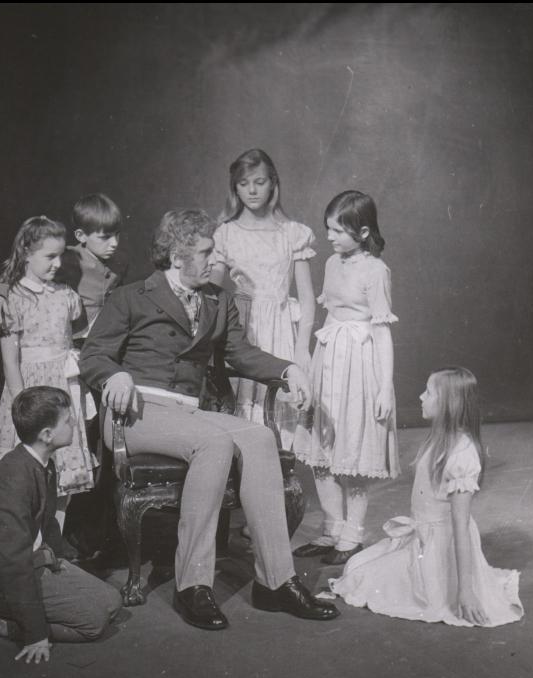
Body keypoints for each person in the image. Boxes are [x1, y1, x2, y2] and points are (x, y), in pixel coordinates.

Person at [79, 208, 340, 630]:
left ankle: (276, 582)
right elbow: (93, 355)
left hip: (188, 412)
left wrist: (288, 368)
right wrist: (115, 374)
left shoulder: (219, 301)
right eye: (205, 252)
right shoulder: (130, 296)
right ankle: (193, 585)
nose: (214, 259)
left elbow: (241, 354)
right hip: (136, 412)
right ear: (176, 256)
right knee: (214, 441)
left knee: (258, 438)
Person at [319, 367, 524, 627]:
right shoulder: (437, 440)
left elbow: (460, 527)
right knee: (355, 567)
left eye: (428, 392)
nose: (420, 397)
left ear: (448, 404)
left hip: (441, 549)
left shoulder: (462, 454)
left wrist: (466, 590)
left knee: (361, 579)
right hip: (420, 540)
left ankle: (450, 585)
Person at [0, 387, 122, 663]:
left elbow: (46, 522)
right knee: (94, 623)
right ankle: (3, 623)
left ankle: (23, 612)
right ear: (47, 434)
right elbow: (12, 562)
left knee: (112, 602)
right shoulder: (14, 479)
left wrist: (57, 565)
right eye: (67, 420)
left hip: (32, 561)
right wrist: (35, 634)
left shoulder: (41, 461)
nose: (74, 423)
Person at [293, 190, 400, 563]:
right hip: (329, 360)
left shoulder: (376, 271)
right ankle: (332, 529)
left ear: (363, 231)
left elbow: (382, 331)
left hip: (359, 365)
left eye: (338, 230)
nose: (330, 237)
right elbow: (330, 314)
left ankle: (351, 537)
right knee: (321, 453)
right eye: (328, 229)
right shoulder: (331, 263)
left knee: (352, 454)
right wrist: (313, 366)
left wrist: (384, 388)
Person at [0, 216, 96, 506]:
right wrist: (22, 404)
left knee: (64, 468)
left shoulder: (66, 295)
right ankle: (29, 529)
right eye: (49, 256)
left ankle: (56, 530)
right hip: (31, 389)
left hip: (64, 387)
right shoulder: (14, 298)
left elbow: (79, 335)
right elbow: (10, 362)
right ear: (27, 254)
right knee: (28, 468)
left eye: (60, 256)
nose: (58, 263)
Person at [210, 149, 316, 449]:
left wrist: (302, 347)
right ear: (235, 187)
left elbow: (307, 297)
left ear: (273, 183)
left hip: (280, 327)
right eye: (244, 183)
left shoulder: (291, 233)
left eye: (259, 182)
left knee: (280, 407)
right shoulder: (226, 233)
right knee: (242, 402)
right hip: (242, 327)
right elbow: (211, 291)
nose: (252, 191)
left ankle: (280, 466)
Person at [0, 193, 126, 341]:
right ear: (81, 236)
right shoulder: (67, 257)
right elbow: (15, 272)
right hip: (75, 337)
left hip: (108, 335)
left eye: (117, 235)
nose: (114, 243)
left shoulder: (120, 261)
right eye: (105, 237)